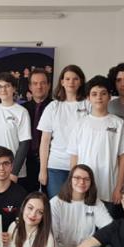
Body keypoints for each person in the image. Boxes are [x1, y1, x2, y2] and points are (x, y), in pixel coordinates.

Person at [68, 75, 124, 214]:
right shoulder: (80, 124)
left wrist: (119, 187)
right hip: (83, 187)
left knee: (107, 224)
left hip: (109, 187)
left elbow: (123, 157)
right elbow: (74, 156)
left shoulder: (118, 123)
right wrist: (72, 184)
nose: (99, 97)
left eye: (103, 93)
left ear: (109, 97)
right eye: (94, 94)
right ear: (88, 98)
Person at [38, 65, 90, 198]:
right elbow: (45, 141)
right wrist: (43, 170)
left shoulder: (88, 105)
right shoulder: (53, 107)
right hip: (56, 166)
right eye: (67, 79)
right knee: (57, 206)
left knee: (78, 205)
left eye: (75, 79)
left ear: (81, 81)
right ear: (62, 82)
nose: (71, 82)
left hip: (82, 165)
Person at [0, 73, 31, 184]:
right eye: (0, 86)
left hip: (12, 170)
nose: (3, 89)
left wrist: (14, 172)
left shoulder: (21, 112)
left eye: (7, 86)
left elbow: (24, 143)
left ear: (14, 88)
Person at [21, 68, 53, 192]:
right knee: (27, 198)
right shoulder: (22, 109)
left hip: (50, 161)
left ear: (49, 85)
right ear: (30, 86)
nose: (39, 86)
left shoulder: (56, 108)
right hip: (26, 161)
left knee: (50, 198)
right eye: (35, 83)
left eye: (43, 83)